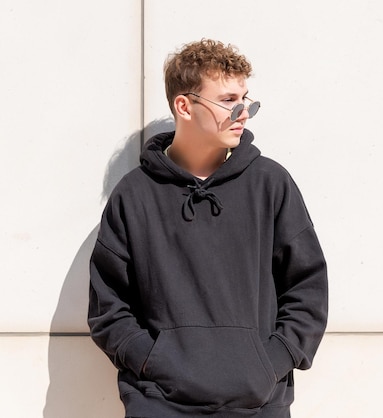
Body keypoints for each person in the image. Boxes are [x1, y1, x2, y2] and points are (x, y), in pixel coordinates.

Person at [88, 39, 329, 418]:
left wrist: (270, 363)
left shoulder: (270, 184)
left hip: (258, 405)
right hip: (159, 404)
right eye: (229, 100)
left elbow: (307, 289)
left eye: (246, 99)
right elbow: (108, 307)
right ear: (184, 106)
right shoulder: (135, 195)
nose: (243, 112)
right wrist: (151, 362)